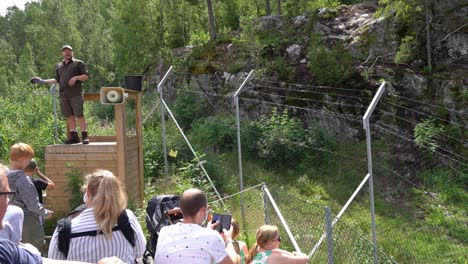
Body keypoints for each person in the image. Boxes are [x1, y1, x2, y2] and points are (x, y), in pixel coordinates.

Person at [0, 162, 122, 264]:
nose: (10, 203)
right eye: (7, 195)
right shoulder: (36, 182)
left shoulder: (5, 249)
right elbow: (51, 185)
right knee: (37, 242)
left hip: (29, 221)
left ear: (88, 192)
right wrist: (40, 174)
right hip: (35, 217)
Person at [48, 169, 146, 263]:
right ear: (118, 193)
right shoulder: (127, 219)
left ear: (87, 192)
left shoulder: (64, 230)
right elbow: (140, 252)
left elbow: (53, 261)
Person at [154, 188, 240, 264]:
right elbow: (233, 262)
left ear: (180, 209)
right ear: (203, 210)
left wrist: (207, 231)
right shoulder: (211, 236)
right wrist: (229, 239)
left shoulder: (164, 231)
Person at [31, 45, 90, 144]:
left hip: (75, 94)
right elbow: (57, 80)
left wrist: (76, 78)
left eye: (69, 51)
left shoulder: (78, 63)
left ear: (72, 52)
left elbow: (86, 76)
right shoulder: (59, 66)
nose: (67, 53)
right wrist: (42, 81)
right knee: (68, 116)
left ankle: (84, 136)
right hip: (63, 95)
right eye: (65, 51)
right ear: (62, 53)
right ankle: (74, 137)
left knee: (79, 115)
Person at [7, 143, 53, 248]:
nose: (29, 162)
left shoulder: (4, 176)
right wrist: (45, 213)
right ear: (23, 159)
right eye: (29, 159)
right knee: (34, 250)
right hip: (27, 221)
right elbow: (32, 204)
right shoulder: (23, 180)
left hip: (9, 219)